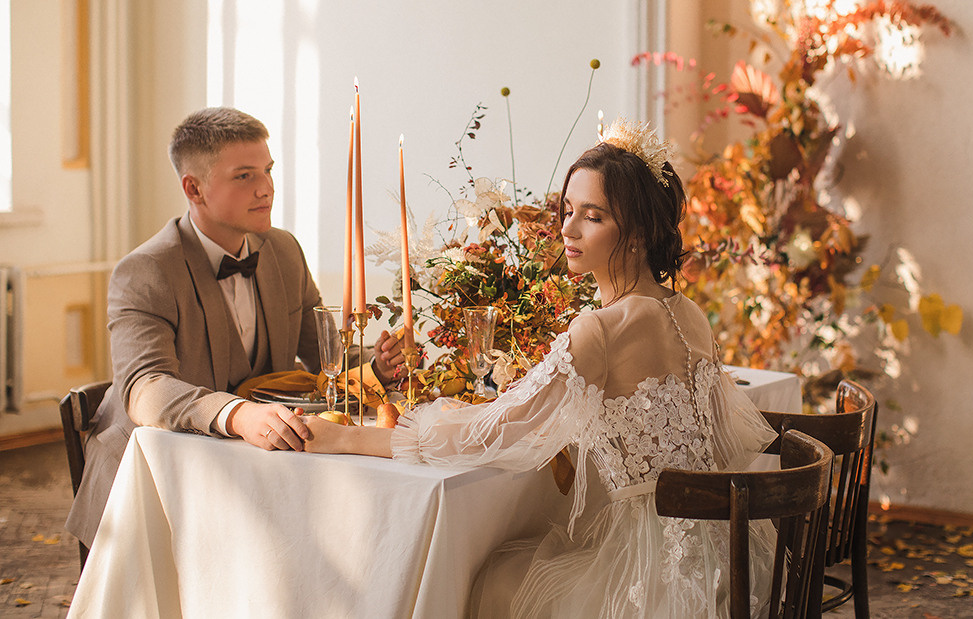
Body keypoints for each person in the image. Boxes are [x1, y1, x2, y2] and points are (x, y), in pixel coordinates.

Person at [302, 118, 778, 617]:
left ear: (636, 232)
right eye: (568, 210)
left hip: (651, 568)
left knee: (492, 580)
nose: (567, 229)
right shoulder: (686, 312)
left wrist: (347, 438)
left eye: (593, 216)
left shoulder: (602, 328)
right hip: (726, 554)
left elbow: (491, 432)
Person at [66, 107, 403, 550]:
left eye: (267, 170)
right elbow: (144, 389)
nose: (267, 188)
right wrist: (238, 415)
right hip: (151, 479)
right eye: (244, 176)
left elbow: (323, 354)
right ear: (194, 188)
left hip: (255, 468)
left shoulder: (283, 250)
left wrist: (376, 364)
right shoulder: (145, 271)